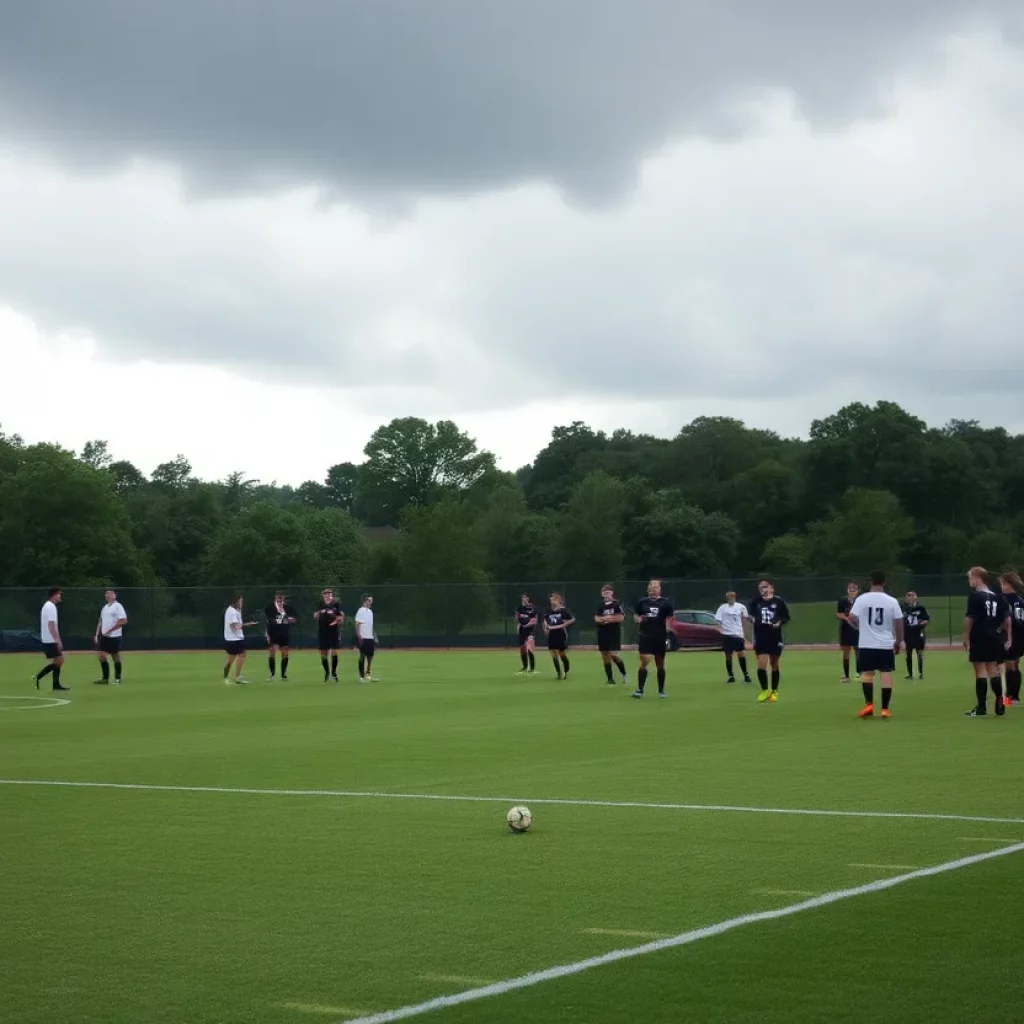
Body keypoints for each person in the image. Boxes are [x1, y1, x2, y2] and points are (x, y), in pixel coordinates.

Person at [848, 570, 904, 719]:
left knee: (867, 674)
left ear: (870, 582)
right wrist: (899, 641)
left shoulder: (862, 599)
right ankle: (885, 708)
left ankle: (869, 705)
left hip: (866, 643)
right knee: (885, 673)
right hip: (885, 643)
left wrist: (861, 628)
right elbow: (899, 622)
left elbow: (852, 618)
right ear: (884, 582)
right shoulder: (892, 601)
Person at [963, 566, 1011, 718]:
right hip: (995, 637)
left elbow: (970, 618)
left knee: (980, 670)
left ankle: (981, 707)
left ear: (977, 578)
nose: (969, 581)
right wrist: (1004, 634)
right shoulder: (998, 596)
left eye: (970, 578)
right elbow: (1007, 619)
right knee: (993, 668)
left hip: (979, 635)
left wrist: (966, 636)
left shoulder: (975, 596)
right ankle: (999, 699)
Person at [747, 580, 790, 703]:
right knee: (761, 664)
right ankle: (764, 690)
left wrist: (779, 623)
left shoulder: (778, 601)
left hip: (774, 636)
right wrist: (751, 619)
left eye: (765, 587)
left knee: (774, 663)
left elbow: (785, 617)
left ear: (771, 588)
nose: (763, 589)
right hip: (760, 636)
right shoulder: (756, 601)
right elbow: (751, 615)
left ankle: (774, 690)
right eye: (760, 587)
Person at [631, 579, 674, 699]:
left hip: (660, 636)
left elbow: (670, 618)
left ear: (660, 589)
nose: (653, 589)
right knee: (645, 659)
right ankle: (640, 690)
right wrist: (638, 619)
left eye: (655, 586)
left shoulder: (665, 603)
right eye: (651, 586)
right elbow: (636, 614)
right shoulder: (642, 602)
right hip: (645, 635)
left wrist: (669, 633)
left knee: (660, 664)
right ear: (648, 588)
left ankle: (661, 690)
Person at [34, 587, 68, 692]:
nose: (60, 596)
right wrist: (57, 640)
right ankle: (38, 677)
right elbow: (51, 625)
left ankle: (56, 684)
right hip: (50, 639)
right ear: (54, 595)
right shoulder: (51, 607)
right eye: (59, 594)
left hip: (47, 638)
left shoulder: (47, 606)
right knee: (60, 660)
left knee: (58, 660)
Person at [998, 571, 1024, 705]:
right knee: (1014, 665)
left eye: (1003, 584)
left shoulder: (1004, 600)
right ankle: (1014, 696)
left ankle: (1010, 697)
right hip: (1019, 636)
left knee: (1010, 667)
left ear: (1009, 584)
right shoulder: (1020, 600)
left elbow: (1012, 620)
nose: (1001, 587)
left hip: (1010, 636)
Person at [714, 591, 751, 684]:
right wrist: (720, 630)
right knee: (728, 655)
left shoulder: (741, 607)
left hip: (737, 634)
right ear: (727, 598)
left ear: (735, 597)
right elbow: (717, 621)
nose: (731, 598)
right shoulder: (722, 608)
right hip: (727, 635)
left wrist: (744, 632)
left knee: (741, 654)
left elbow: (745, 619)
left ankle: (746, 675)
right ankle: (731, 676)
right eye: (729, 597)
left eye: (732, 597)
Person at [594, 584, 628, 686]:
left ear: (612, 593)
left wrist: (609, 619)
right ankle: (610, 679)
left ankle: (624, 674)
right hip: (602, 633)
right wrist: (601, 620)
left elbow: (621, 617)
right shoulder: (600, 605)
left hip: (613, 633)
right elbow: (596, 618)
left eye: (608, 592)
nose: (606, 594)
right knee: (605, 656)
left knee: (613, 655)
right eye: (604, 592)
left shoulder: (617, 604)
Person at [93, 589, 128, 685]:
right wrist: (96, 634)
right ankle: (105, 678)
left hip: (114, 636)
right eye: (106, 594)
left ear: (114, 596)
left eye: (109, 594)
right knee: (102, 656)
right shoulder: (105, 607)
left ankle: (117, 677)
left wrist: (111, 630)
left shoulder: (118, 606)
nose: (107, 596)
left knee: (115, 656)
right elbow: (100, 621)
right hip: (104, 636)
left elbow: (124, 621)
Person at [264, 590, 297, 681]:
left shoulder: (287, 607)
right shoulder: (270, 607)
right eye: (278, 598)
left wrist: (287, 619)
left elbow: (294, 619)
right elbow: (270, 620)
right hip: (273, 633)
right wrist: (267, 634)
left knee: (285, 653)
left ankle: (283, 675)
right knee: (272, 653)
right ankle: (272, 674)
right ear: (275, 598)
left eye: (281, 599)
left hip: (284, 633)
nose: (280, 601)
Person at [223, 595, 256, 685]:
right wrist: (249, 624)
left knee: (242, 655)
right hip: (233, 639)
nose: (241, 603)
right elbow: (235, 626)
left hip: (236, 638)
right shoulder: (232, 612)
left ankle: (236, 677)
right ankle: (229, 678)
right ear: (235, 602)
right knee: (231, 659)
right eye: (240, 602)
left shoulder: (234, 610)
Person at [314, 588, 344, 683]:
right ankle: (327, 673)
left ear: (332, 596)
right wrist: (319, 613)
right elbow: (315, 616)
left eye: (329, 594)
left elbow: (340, 617)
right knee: (324, 653)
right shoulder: (320, 604)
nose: (327, 596)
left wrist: (335, 622)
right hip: (322, 631)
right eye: (326, 594)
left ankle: (334, 673)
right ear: (323, 596)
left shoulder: (336, 604)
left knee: (334, 652)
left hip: (333, 631)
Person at [543, 593, 574, 680]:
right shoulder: (549, 610)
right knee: (553, 653)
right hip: (551, 634)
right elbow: (545, 619)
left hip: (560, 634)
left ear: (558, 600)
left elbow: (572, 619)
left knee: (562, 654)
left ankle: (566, 671)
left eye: (553, 600)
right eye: (551, 600)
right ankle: (558, 672)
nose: (552, 602)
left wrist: (565, 624)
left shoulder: (563, 610)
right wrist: (545, 627)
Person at [902, 591, 931, 680]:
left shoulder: (920, 608)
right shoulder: (904, 608)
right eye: (908, 596)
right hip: (908, 634)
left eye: (911, 596)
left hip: (918, 633)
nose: (909, 598)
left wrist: (921, 624)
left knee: (919, 653)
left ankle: (920, 672)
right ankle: (910, 674)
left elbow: (926, 619)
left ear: (915, 597)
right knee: (908, 654)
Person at [836, 581, 860, 683]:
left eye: (854, 589)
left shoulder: (860, 601)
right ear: (847, 590)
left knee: (858, 651)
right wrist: (848, 620)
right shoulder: (842, 600)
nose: (852, 591)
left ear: (857, 591)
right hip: (845, 629)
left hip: (858, 629)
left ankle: (859, 674)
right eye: (851, 589)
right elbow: (839, 614)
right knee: (846, 652)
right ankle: (846, 675)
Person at [355, 594, 378, 681]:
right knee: (362, 655)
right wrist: (358, 635)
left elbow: (371, 625)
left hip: (370, 637)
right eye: (369, 601)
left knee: (370, 656)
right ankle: (361, 676)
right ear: (365, 601)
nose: (371, 603)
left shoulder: (370, 612)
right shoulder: (360, 611)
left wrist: (374, 636)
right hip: (363, 637)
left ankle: (368, 674)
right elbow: (357, 623)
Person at [514, 594, 538, 675]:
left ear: (528, 598)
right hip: (522, 631)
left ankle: (532, 668)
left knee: (529, 648)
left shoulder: (532, 608)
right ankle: (524, 667)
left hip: (530, 631)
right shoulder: (520, 608)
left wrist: (526, 625)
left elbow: (534, 621)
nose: (523, 599)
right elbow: (517, 616)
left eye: (525, 598)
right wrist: (519, 624)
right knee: (522, 649)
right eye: (522, 598)